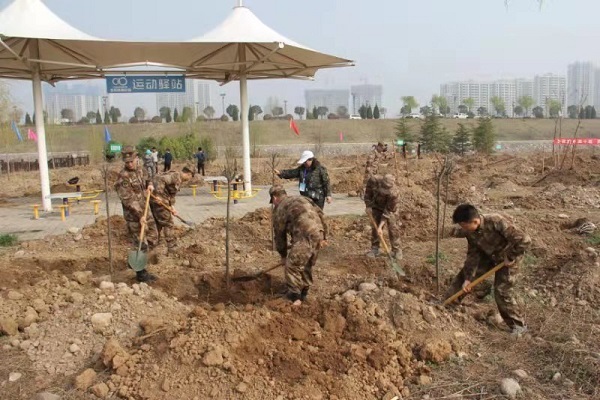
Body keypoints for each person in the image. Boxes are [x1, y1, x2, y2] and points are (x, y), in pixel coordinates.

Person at [445, 204, 531, 335]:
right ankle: (447, 306)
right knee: (463, 278)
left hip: (509, 259)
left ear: (475, 221)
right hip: (489, 255)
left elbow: (525, 240)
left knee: (502, 290)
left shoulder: (496, 221)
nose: (463, 229)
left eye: (463, 225)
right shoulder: (470, 232)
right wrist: (468, 278)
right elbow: (473, 255)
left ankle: (518, 326)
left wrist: (511, 256)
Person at [270, 185, 327, 304]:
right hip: (317, 233)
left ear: (275, 198)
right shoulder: (302, 199)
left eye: (273, 201)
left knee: (292, 265)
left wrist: (283, 256)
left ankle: (294, 296)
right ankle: (304, 293)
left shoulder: (280, 208)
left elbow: (280, 236)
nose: (274, 204)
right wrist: (324, 236)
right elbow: (321, 214)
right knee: (305, 263)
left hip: (304, 235)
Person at [114, 145, 159, 283]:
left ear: (137, 158)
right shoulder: (123, 178)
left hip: (146, 210)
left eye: (131, 161)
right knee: (139, 242)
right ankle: (140, 273)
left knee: (153, 236)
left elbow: (148, 178)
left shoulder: (141, 169)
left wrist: (150, 184)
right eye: (127, 162)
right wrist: (140, 215)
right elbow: (128, 200)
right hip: (134, 216)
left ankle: (140, 261)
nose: (129, 164)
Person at [151, 167, 194, 254]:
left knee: (158, 223)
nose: (189, 180)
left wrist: (172, 206)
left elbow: (171, 194)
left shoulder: (178, 179)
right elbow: (160, 179)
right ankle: (172, 246)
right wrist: (158, 195)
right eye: (190, 177)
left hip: (162, 201)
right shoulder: (175, 176)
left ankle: (153, 243)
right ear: (188, 174)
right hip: (159, 201)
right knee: (169, 223)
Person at [364, 174, 402, 260]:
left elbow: (388, 211)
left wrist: (380, 227)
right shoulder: (373, 180)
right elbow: (367, 193)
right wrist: (368, 206)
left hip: (390, 209)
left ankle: (396, 250)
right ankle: (375, 249)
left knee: (393, 227)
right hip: (376, 205)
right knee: (375, 226)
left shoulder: (394, 194)